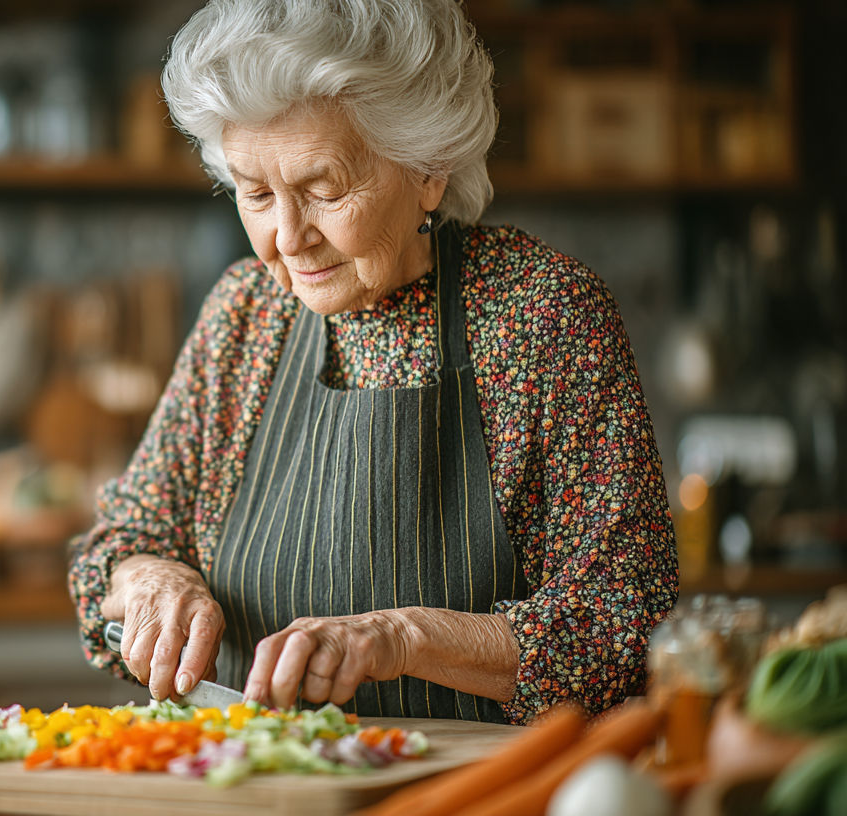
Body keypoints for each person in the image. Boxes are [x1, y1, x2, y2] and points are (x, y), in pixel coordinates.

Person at [68, 0, 678, 724]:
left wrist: (400, 638)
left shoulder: (543, 315)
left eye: (323, 189)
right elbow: (117, 547)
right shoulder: (242, 317)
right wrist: (150, 582)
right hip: (248, 790)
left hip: (476, 795)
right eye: (255, 194)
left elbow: (623, 622)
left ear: (429, 170)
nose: (287, 239)